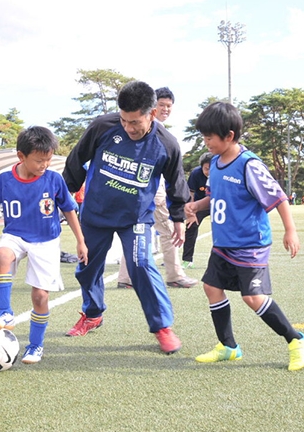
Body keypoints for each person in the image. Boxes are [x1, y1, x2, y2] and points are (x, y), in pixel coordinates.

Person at [62, 81, 190, 354]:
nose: (128, 127)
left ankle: (162, 327)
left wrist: (178, 217)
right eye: (123, 120)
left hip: (136, 217)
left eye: (135, 122)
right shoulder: (102, 127)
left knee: (140, 264)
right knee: (87, 269)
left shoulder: (167, 144)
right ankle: (93, 314)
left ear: (152, 114)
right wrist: (64, 196)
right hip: (95, 213)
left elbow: (176, 181)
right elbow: (76, 160)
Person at [184, 101, 304, 371]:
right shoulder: (216, 163)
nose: (206, 142)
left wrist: (291, 230)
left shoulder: (249, 165)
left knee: (252, 298)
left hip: (249, 245)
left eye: (210, 137)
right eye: (203, 137)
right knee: (211, 288)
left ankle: (297, 340)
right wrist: (197, 205)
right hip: (223, 244)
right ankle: (229, 347)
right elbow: (216, 196)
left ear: (229, 136)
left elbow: (278, 197)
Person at [0, 126, 87, 365]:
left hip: (46, 240)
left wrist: (80, 241)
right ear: (21, 156)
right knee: (2, 254)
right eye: (39, 161)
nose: (44, 165)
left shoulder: (54, 179)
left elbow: (69, 210)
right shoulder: (4, 179)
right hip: (15, 234)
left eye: (48, 160)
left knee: (39, 297)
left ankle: (35, 346)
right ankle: (5, 312)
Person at [117, 87, 197, 289]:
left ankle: (126, 278)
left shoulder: (155, 129)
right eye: (161, 105)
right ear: (152, 107)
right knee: (169, 230)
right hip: (153, 189)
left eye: (169, 106)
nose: (166, 109)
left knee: (134, 231)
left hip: (141, 188)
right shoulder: (151, 128)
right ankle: (175, 274)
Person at [181, 152, 213, 268]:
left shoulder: (221, 173)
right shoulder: (196, 173)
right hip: (200, 205)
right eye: (206, 169)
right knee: (191, 226)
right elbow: (191, 193)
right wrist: (191, 212)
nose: (209, 172)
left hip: (217, 205)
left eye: (212, 168)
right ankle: (187, 260)